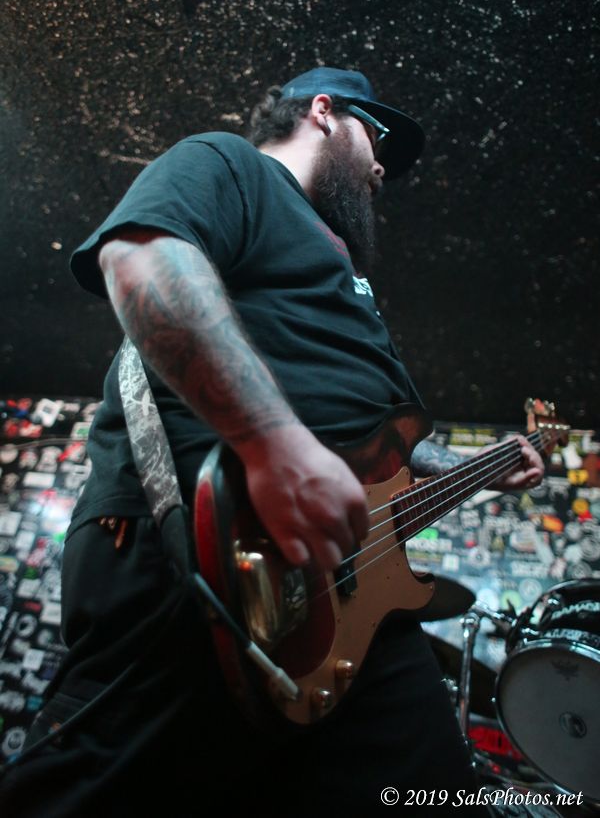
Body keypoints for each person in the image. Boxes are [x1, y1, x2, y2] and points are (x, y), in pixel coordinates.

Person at [0, 67, 544, 817]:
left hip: (352, 602)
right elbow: (142, 256)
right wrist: (274, 444)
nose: (382, 168)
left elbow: (389, 436)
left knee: (435, 792)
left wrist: (478, 467)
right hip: (204, 541)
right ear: (323, 112)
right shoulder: (230, 164)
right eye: (377, 137)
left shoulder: (348, 278)